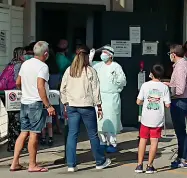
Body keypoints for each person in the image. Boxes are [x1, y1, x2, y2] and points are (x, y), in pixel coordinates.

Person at [60, 45, 111, 172]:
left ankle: (71, 164)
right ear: (87, 56)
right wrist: (99, 105)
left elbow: (63, 88)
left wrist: (65, 103)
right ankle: (100, 161)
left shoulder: (69, 70)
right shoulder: (90, 71)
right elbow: (95, 90)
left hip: (72, 105)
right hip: (86, 105)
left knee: (72, 134)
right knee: (93, 135)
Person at [10, 41, 55, 172]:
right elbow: (41, 86)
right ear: (45, 54)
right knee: (34, 134)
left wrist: (26, 91)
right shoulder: (43, 67)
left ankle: (14, 162)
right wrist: (48, 106)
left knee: (24, 132)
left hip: (25, 102)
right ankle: (32, 164)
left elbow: (18, 82)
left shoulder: (25, 64)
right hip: (37, 103)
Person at [89, 46, 126, 153]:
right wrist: (91, 55)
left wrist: (116, 84)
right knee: (100, 121)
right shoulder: (99, 65)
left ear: (110, 55)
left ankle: (112, 143)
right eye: (102, 53)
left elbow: (122, 81)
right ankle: (102, 142)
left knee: (111, 120)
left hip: (112, 96)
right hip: (100, 96)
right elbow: (89, 66)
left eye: (105, 53)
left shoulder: (116, 67)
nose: (103, 55)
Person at [135, 64, 171, 174]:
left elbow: (138, 101)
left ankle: (139, 165)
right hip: (157, 119)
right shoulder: (164, 87)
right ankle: (150, 166)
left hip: (146, 118)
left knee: (143, 140)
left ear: (151, 74)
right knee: (154, 141)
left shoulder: (145, 85)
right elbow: (167, 105)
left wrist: (144, 101)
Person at [164, 44, 187, 168]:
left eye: (169, 54)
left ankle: (183, 158)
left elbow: (180, 89)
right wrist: (170, 83)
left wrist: (169, 88)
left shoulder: (180, 67)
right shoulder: (183, 64)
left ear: (174, 54)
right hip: (183, 99)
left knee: (180, 131)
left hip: (180, 101)